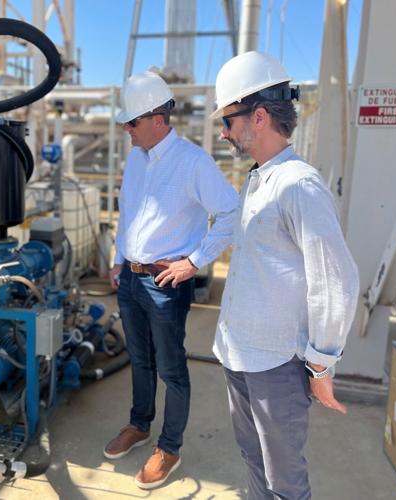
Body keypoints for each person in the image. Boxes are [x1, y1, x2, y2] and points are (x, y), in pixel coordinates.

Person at [210, 50, 360, 499]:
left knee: (285, 480)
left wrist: (321, 362)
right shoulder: (259, 180)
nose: (223, 132)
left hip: (275, 363)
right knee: (254, 459)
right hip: (239, 353)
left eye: (229, 121)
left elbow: (336, 280)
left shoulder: (298, 184)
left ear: (258, 117)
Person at [103, 70, 238, 490]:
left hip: (164, 283)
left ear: (158, 119)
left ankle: (170, 447)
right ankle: (139, 424)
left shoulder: (193, 162)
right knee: (140, 360)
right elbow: (127, 213)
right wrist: (118, 258)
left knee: (172, 369)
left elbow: (230, 212)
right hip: (130, 278)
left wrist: (193, 261)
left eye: (133, 122)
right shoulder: (135, 158)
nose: (126, 128)